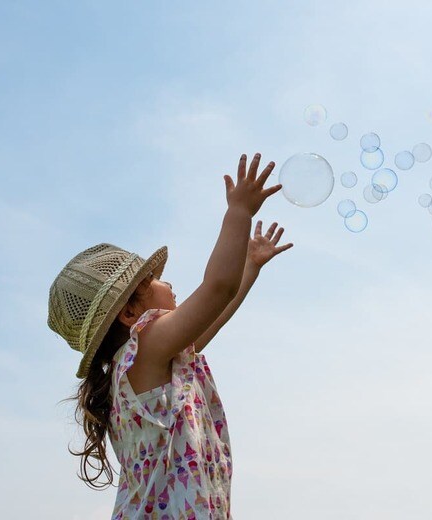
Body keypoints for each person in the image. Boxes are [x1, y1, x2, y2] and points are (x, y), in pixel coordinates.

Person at [47, 153, 294, 519]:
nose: (168, 282)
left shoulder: (152, 362)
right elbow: (216, 290)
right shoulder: (145, 348)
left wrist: (249, 266)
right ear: (130, 314)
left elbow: (214, 314)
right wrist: (239, 211)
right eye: (153, 280)